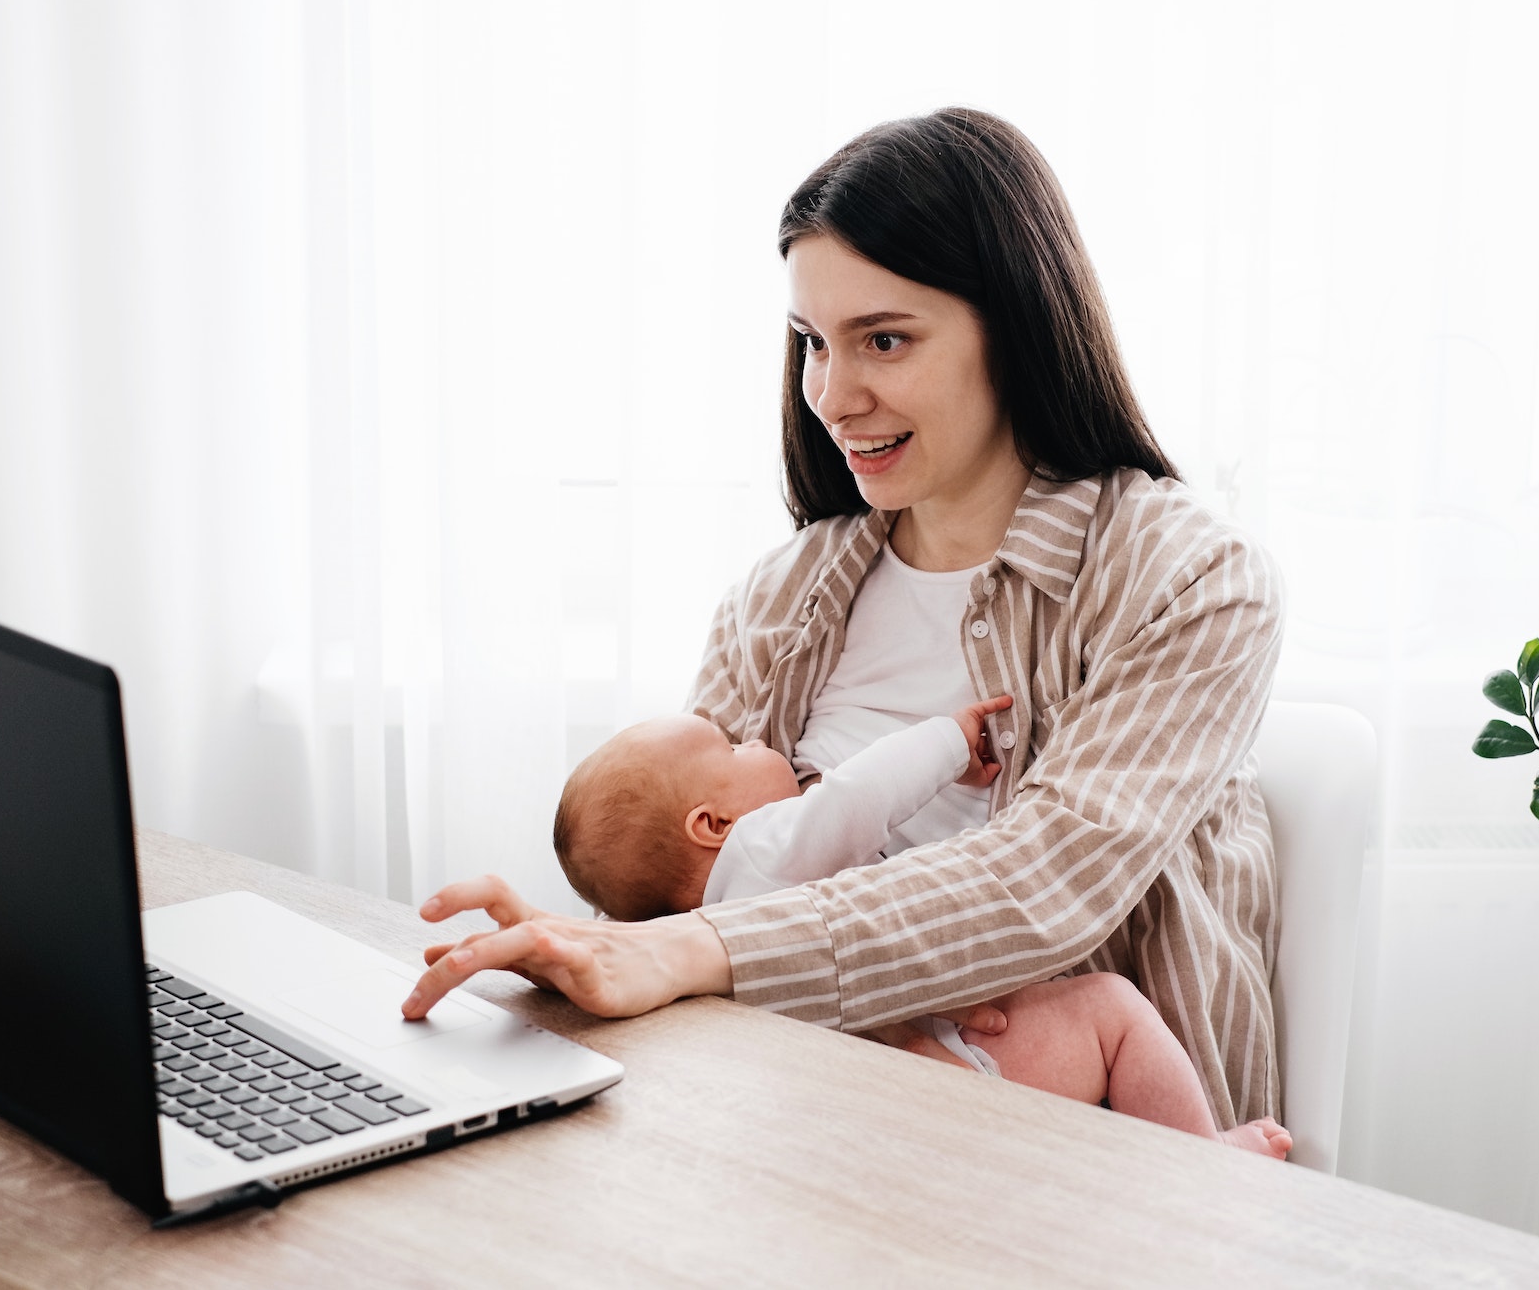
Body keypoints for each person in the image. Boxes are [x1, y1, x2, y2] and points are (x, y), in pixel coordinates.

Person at [403, 106, 1285, 1140]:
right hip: (810, 1105)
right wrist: (578, 945)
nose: (831, 392)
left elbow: (1043, 884)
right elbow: (689, 879)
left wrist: (703, 955)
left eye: (883, 340)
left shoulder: (1188, 579)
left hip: (1098, 1153)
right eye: (812, 342)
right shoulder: (783, 598)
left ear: (1017, 325)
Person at [549, 698, 1293, 1155]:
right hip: (947, 1061)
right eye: (733, 748)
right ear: (713, 824)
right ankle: (1203, 1159)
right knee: (1113, 1011)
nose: (756, 741)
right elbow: (857, 794)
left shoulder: (690, 942)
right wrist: (947, 740)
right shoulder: (760, 849)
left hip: (875, 1114)